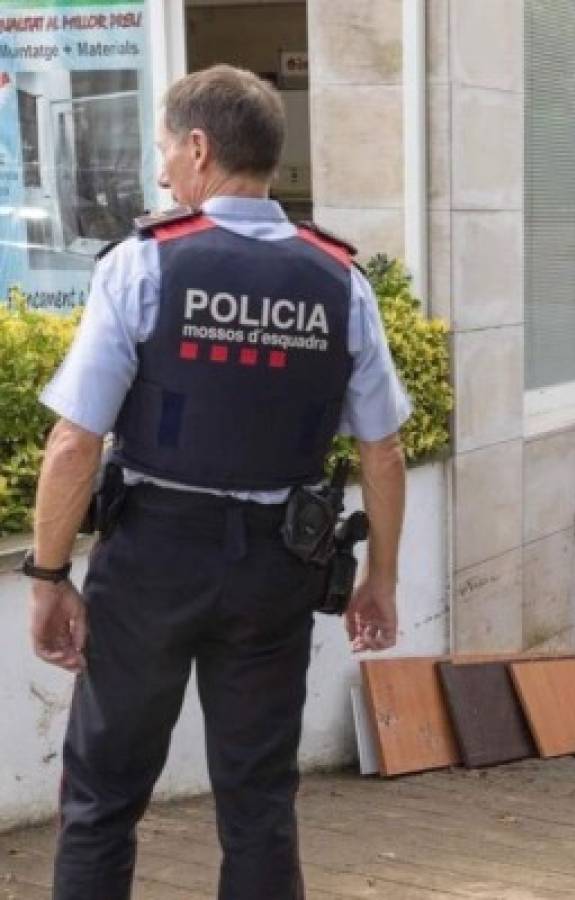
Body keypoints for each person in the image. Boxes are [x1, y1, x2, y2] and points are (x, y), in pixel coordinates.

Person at [23, 65, 410, 900]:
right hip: (278, 566)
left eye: (166, 150)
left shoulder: (144, 263)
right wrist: (379, 580)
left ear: (199, 148)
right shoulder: (340, 279)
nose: (162, 172)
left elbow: (73, 441)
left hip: (153, 560)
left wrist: (49, 576)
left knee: (101, 797)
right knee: (259, 799)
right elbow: (383, 451)